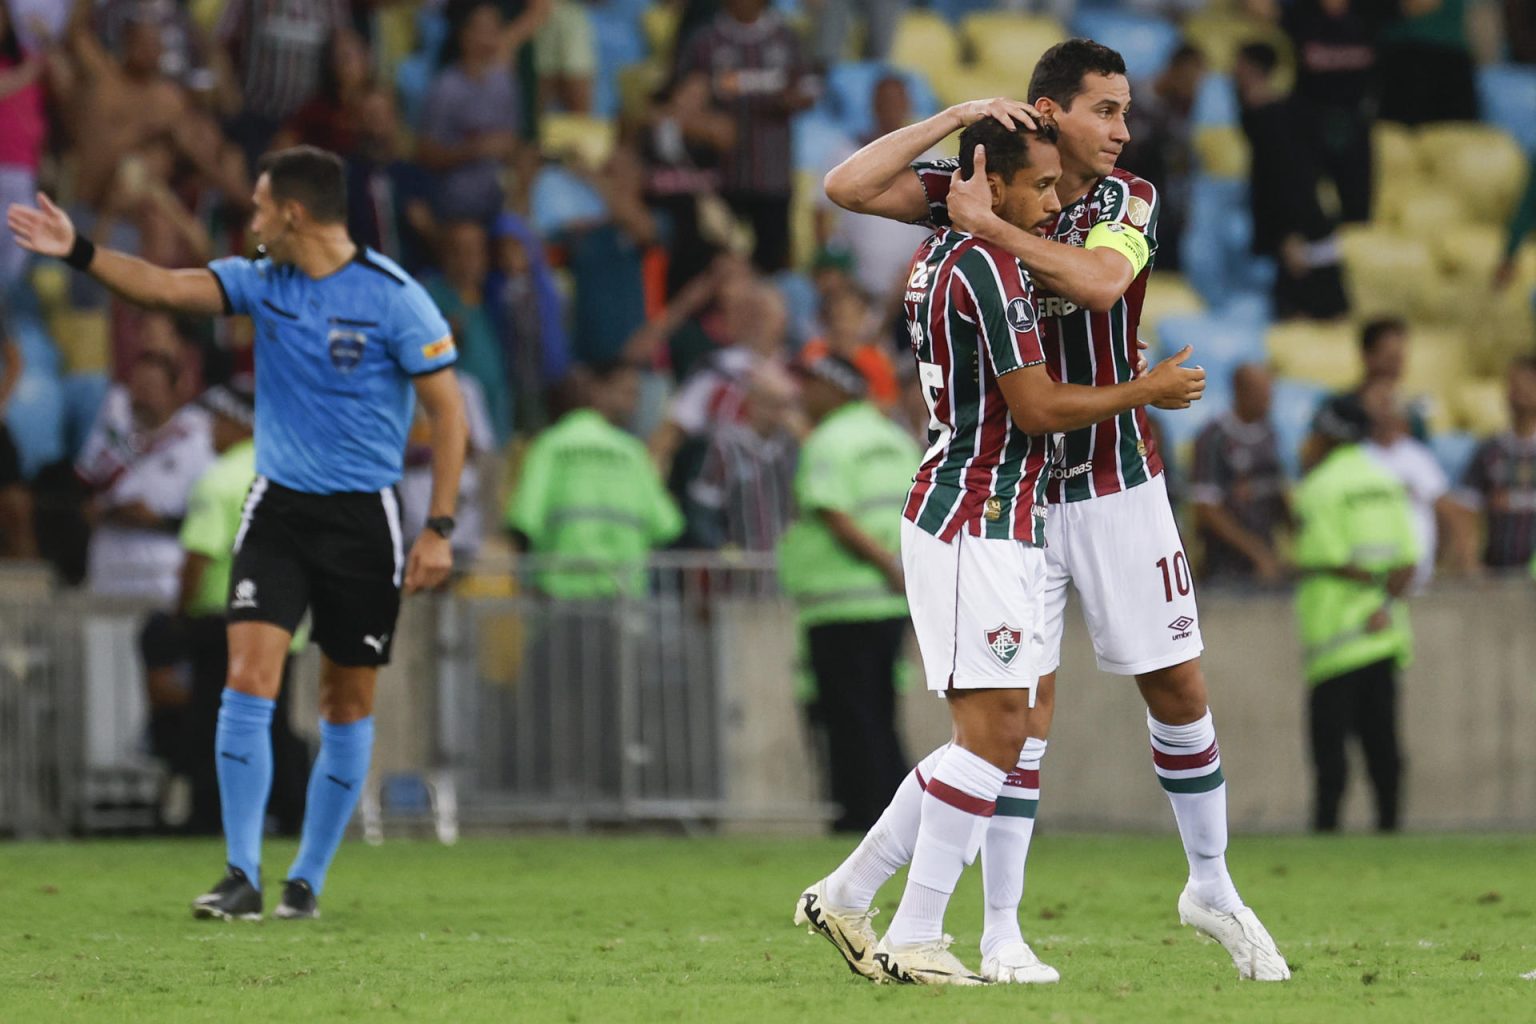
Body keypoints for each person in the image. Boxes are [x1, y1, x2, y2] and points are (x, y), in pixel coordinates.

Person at [819, 39, 1291, 983]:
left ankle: (1211, 883)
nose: (1122, 130)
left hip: (1116, 481)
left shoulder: (1123, 202)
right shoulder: (996, 174)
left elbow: (1103, 283)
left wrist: (989, 227)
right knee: (1018, 717)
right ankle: (998, 933)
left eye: (1125, 112)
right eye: (1105, 111)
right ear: (1049, 111)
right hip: (1018, 484)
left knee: (1178, 688)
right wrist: (954, 121)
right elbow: (849, 187)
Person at [7, 144, 469, 921]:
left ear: (293, 213)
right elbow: (164, 287)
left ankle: (308, 880)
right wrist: (81, 251)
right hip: (278, 509)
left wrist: (440, 529)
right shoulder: (263, 284)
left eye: (257, 208)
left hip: (364, 520)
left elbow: (449, 414)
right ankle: (241, 872)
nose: (249, 221)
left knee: (344, 702)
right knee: (248, 678)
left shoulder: (395, 298)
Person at [778, 354, 918, 832]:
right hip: (891, 602)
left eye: (812, 383)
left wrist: (885, 565)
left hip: (838, 602)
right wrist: (901, 573)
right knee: (880, 715)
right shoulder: (896, 440)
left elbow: (833, 512)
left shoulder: (827, 441)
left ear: (837, 388)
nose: (804, 394)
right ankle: (897, 820)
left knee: (848, 719)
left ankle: (860, 819)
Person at [163, 378, 310, 836]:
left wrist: (180, 613)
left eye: (217, 419)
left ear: (238, 423)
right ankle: (294, 810)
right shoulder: (290, 473)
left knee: (214, 717)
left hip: (223, 619)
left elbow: (198, 556)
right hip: (287, 620)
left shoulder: (220, 477)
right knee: (275, 719)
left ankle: (210, 813)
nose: (210, 429)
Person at [1293, 395, 1418, 832]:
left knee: (1330, 750)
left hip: (1335, 639)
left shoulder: (1320, 486)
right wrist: (1383, 604)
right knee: (1383, 743)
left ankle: (1327, 831)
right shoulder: (1386, 480)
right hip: (1382, 633)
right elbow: (1409, 563)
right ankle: (1390, 828)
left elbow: (1322, 556)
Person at [506, 360, 681, 598]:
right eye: (627, 393)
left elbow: (524, 517)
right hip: (623, 589)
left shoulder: (550, 445)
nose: (633, 404)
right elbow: (667, 524)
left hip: (561, 590)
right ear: (598, 397)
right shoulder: (631, 450)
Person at [676, 0, 816, 274]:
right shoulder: (706, 41)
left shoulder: (786, 38)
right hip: (719, 178)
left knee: (772, 267)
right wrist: (705, 121)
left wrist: (792, 100)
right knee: (716, 265)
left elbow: (808, 90)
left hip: (773, 176)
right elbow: (682, 102)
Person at [75, 349, 213, 601]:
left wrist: (157, 520)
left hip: (163, 574)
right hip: (108, 569)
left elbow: (210, 516)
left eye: (151, 386)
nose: (141, 395)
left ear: (174, 391)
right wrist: (99, 511)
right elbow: (83, 487)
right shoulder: (110, 431)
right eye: (137, 386)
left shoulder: (196, 439)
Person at [1233, 41, 1347, 321]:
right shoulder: (1259, 115)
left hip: (1299, 229)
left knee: (1309, 314)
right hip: (1286, 226)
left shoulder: (1275, 119)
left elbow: (1289, 178)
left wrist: (1289, 232)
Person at [1358, 378, 1476, 591]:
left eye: (1388, 404)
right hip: (1368, 576)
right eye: (1378, 405)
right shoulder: (1357, 457)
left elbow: (1446, 507)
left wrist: (1464, 560)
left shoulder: (1416, 456)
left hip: (1416, 578)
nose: (1383, 412)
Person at [417, 2, 523, 223]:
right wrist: (474, 150)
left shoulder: (505, 83)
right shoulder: (445, 88)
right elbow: (425, 154)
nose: (489, 38)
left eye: (495, 30)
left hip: (501, 197)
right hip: (457, 202)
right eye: (483, 30)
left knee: (517, 244)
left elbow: (515, 143)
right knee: (468, 241)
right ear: (464, 34)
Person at [1189, 364, 1290, 585]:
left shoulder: (1270, 431)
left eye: (1269, 392)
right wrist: (1257, 553)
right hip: (1225, 566)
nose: (1268, 400)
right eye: (1261, 393)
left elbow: (1275, 489)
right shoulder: (1214, 437)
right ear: (1239, 391)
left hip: (1265, 558)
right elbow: (1206, 508)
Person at [1454, 356, 1536, 571]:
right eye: (1512, 384)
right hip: (1499, 571)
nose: (1517, 392)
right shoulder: (1491, 450)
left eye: (1527, 384)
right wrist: (1469, 561)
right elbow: (1466, 506)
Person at [1340, 317, 1428, 441]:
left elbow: (1422, 453)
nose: (1396, 367)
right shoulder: (1341, 408)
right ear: (1367, 356)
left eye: (1400, 359)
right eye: (1390, 358)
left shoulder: (1413, 416)